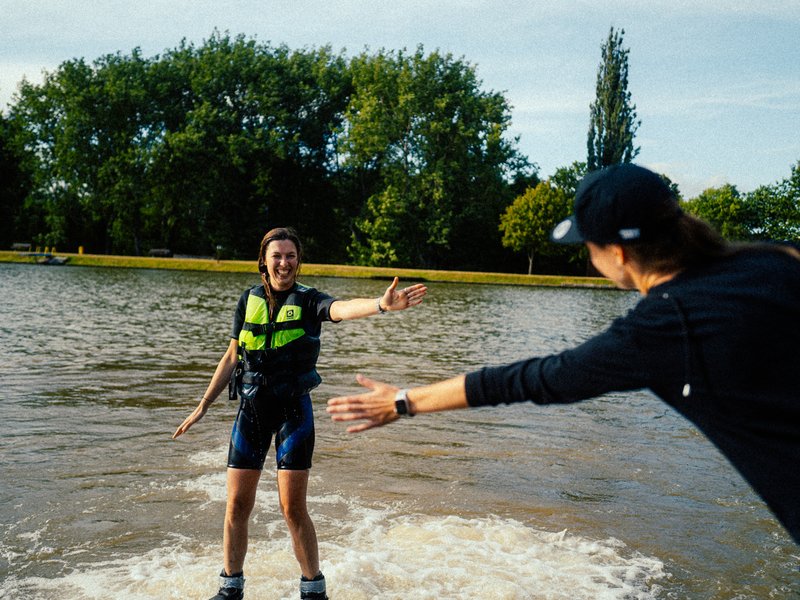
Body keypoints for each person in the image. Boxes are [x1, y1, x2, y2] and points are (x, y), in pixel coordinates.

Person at [326, 163, 800, 545]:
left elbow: (535, 378)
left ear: (616, 253)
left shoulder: (657, 329)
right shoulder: (776, 259)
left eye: (587, 247)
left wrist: (403, 401)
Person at [173, 227, 427, 600]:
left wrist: (379, 304)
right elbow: (231, 357)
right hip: (251, 411)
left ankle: (313, 590)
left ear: (298, 261)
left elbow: (339, 309)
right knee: (237, 504)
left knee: (293, 508)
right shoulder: (248, 300)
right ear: (264, 260)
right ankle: (231, 587)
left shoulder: (309, 301)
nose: (284, 262)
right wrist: (202, 405)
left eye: (290, 256)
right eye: (277, 256)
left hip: (294, 411)